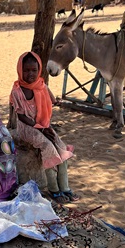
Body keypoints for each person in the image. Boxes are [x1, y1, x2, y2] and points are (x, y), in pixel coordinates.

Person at [10, 51, 80, 203]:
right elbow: (22, 117)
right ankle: (54, 190)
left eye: (34, 70)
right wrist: (40, 129)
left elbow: (53, 101)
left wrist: (45, 126)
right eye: (26, 70)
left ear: (39, 70)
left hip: (43, 125)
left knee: (61, 148)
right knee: (48, 147)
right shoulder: (17, 91)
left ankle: (65, 187)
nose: (30, 74)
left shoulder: (42, 85)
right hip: (27, 128)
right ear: (20, 70)